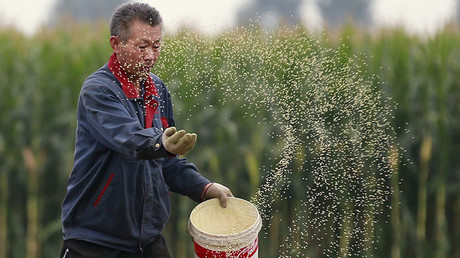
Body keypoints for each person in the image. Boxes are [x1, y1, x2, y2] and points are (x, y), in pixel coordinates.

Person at [60, 2, 233, 257]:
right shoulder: (98, 90)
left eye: (157, 45)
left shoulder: (158, 90)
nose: (150, 55)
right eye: (142, 46)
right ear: (116, 45)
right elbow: (129, 139)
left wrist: (204, 188)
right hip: (95, 242)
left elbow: (167, 162)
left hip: (148, 243)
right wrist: (160, 143)